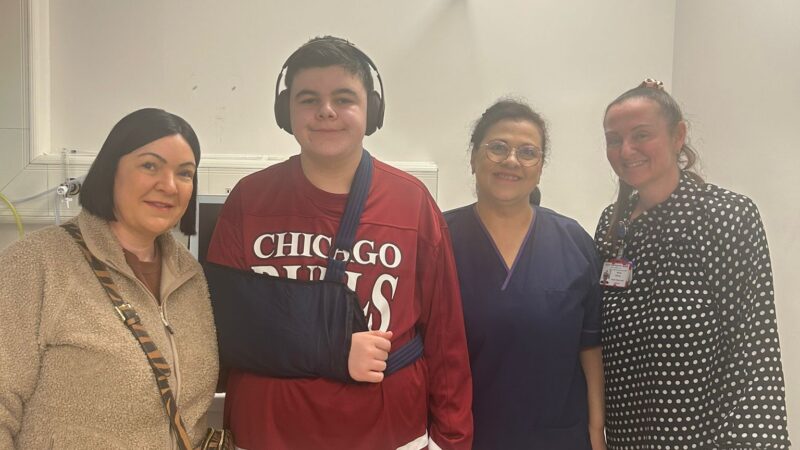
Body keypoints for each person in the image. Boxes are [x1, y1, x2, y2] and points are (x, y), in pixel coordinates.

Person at [205, 36, 473, 450]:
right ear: (286, 112)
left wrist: (452, 441)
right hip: (268, 433)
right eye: (308, 98)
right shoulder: (249, 200)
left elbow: (445, 337)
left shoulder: (412, 202)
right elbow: (223, 328)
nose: (326, 111)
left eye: (344, 98)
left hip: (388, 434)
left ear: (371, 111)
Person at [0, 108, 219, 448]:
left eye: (185, 173)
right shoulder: (36, 263)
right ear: (110, 170)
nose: (169, 185)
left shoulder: (190, 275)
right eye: (150, 165)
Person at [595, 79, 791, 449]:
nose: (626, 149)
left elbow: (752, 347)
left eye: (641, 134)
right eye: (613, 139)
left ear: (678, 135)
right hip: (624, 437)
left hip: (702, 438)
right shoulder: (612, 226)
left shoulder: (727, 216)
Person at [444, 99, 606, 449]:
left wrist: (596, 431)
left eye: (528, 152)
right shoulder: (438, 238)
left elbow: (589, 346)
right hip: (467, 437)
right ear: (473, 158)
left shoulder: (573, 241)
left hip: (559, 437)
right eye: (497, 147)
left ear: (540, 168)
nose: (511, 161)